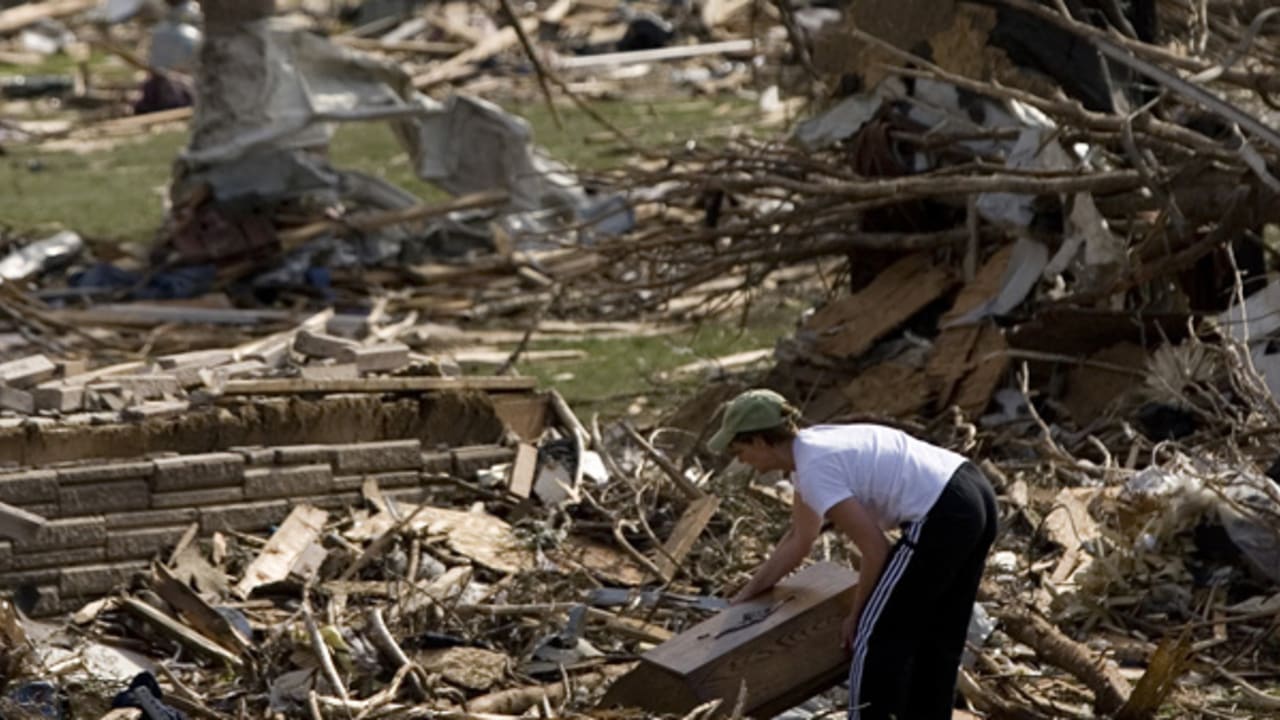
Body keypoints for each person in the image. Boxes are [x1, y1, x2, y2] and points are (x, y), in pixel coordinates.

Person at [708, 388, 998, 720]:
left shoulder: (815, 468)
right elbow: (800, 540)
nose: (741, 461)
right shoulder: (814, 450)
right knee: (938, 636)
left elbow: (875, 548)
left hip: (943, 512)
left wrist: (858, 614)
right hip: (974, 491)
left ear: (760, 441)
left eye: (740, 450)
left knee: (873, 637)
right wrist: (747, 595)